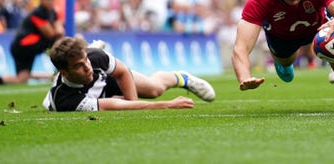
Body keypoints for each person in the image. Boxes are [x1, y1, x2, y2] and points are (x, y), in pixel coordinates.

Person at [43, 36, 216, 111]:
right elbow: (114, 107)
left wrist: (133, 104)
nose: (87, 67)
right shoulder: (64, 101)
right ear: (64, 72)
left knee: (154, 90)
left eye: (85, 60)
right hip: (92, 97)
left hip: (106, 79)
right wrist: (168, 104)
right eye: (78, 66)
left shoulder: (94, 57)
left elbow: (123, 72)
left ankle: (182, 78)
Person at [0, 0, 65, 86]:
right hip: (23, 46)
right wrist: (58, 30)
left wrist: (59, 29)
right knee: (56, 42)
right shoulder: (38, 13)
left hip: (31, 47)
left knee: (21, 79)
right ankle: (63, 72)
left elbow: (59, 28)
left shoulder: (52, 12)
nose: (50, 1)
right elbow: (50, 33)